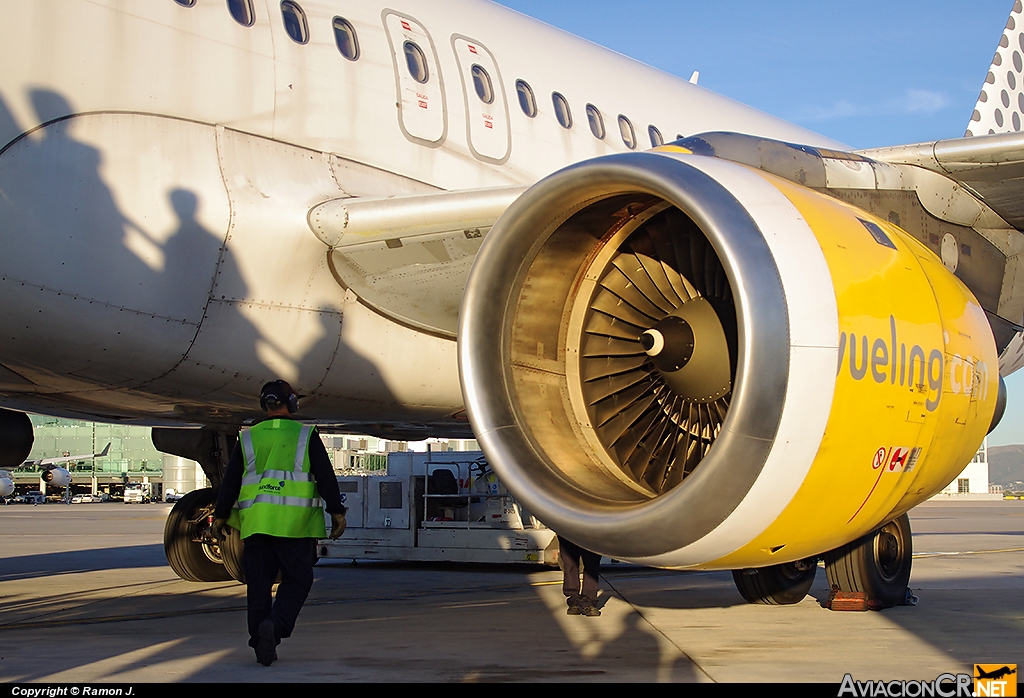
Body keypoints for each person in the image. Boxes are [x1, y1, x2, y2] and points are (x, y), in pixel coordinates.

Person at [213, 380, 347, 666]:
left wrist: (220, 514)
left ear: (264, 405)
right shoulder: (305, 435)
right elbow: (325, 477)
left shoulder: (249, 437)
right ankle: (275, 626)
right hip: (294, 526)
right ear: (293, 403)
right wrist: (336, 512)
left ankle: (261, 641)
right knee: (298, 580)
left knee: (258, 585)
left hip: (256, 526)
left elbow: (231, 479)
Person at [557, 535, 602, 616]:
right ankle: (573, 600)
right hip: (567, 532)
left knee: (591, 565)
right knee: (570, 565)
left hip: (590, 533)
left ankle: (589, 602)